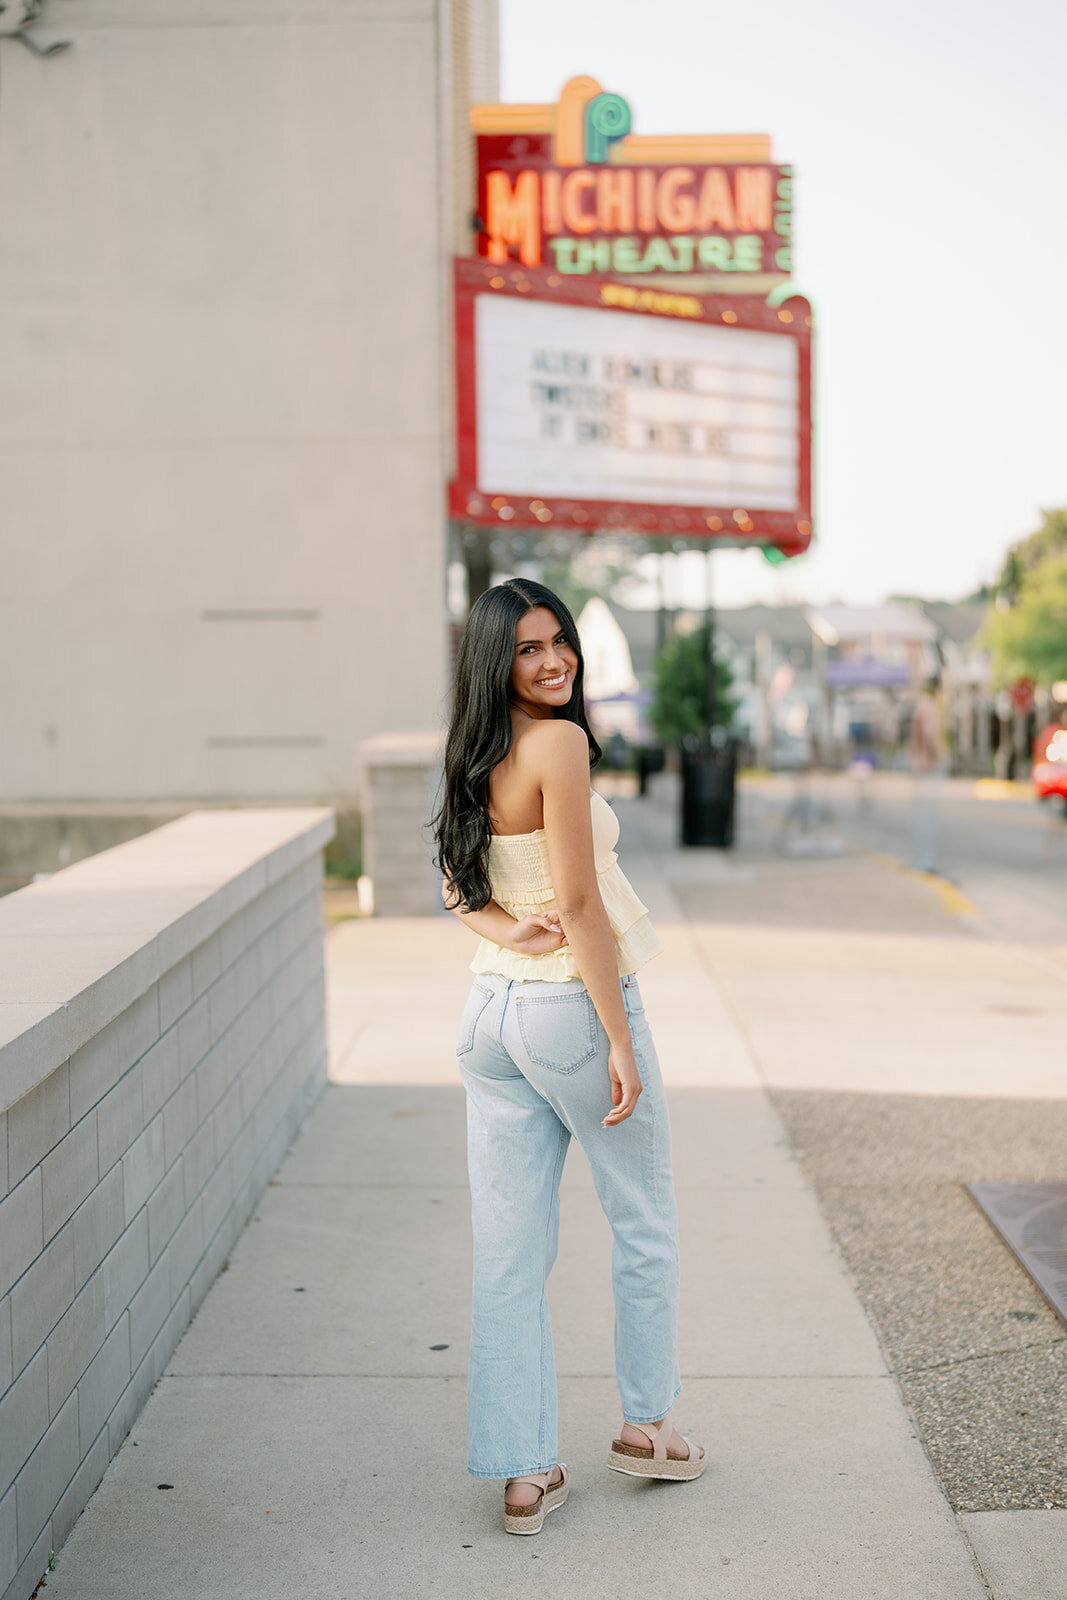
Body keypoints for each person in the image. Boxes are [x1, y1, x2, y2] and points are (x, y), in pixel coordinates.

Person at [433, 578, 704, 1537]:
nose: (552, 663)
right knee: (643, 1219)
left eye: (560, 643)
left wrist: (515, 933)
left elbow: (453, 885)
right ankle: (645, 1428)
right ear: (496, 661)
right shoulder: (560, 744)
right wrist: (619, 1042)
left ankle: (523, 1474)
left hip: (488, 1018)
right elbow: (583, 904)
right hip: (567, 1019)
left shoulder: (476, 747)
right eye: (527, 649)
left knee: (508, 1254)